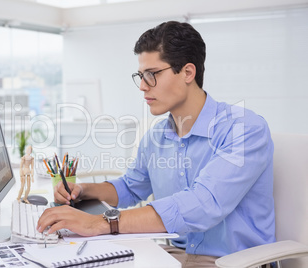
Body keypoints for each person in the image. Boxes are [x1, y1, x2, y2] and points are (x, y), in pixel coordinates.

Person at [37, 21, 275, 267]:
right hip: (172, 255)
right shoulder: (157, 136)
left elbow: (203, 204)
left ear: (187, 73)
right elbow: (130, 187)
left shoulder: (244, 129)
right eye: (141, 76)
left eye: (152, 75)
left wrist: (101, 223)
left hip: (232, 262)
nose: (142, 86)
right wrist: (85, 190)